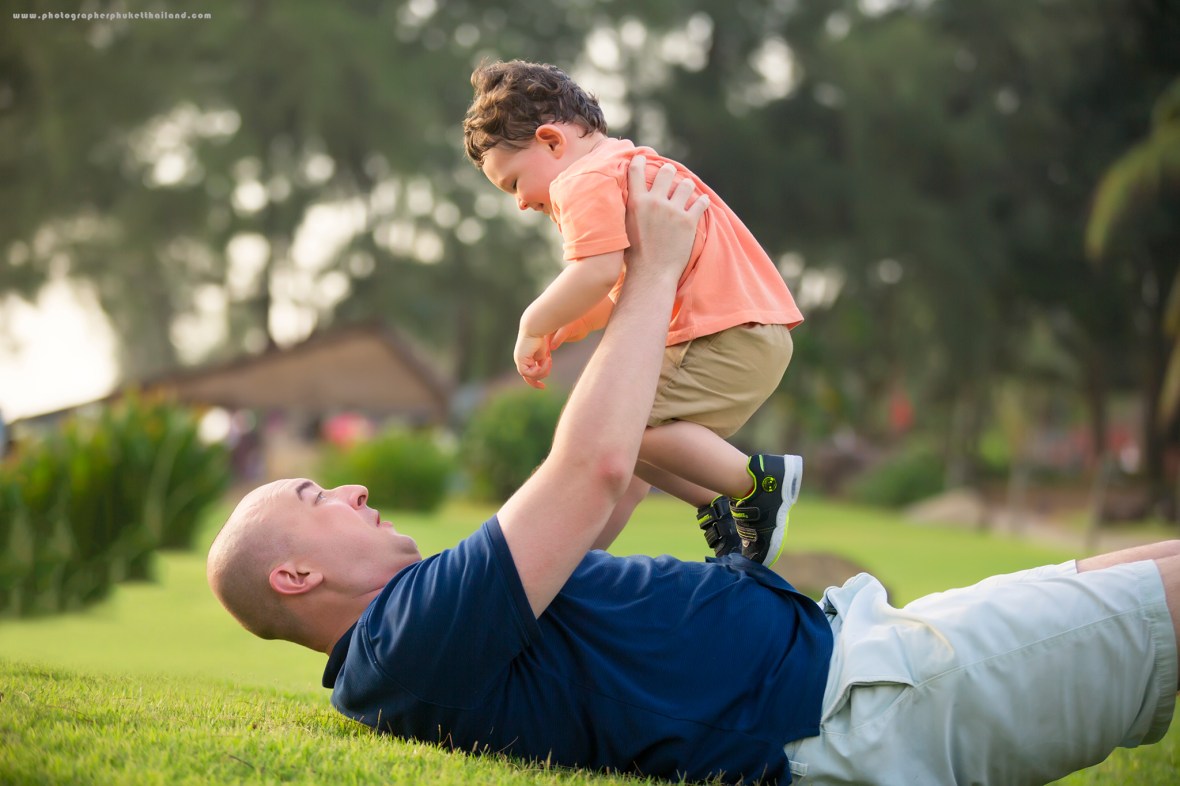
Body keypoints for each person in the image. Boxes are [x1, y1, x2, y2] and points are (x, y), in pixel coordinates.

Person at [208, 159, 1179, 786]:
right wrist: (660, 269)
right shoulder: (405, 639)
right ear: (295, 577)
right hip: (857, 705)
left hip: (855, 668)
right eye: (313, 498)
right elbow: (585, 470)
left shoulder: (423, 630)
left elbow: (602, 495)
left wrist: (651, 310)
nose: (350, 489)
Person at [463, 59, 805, 566]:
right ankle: (727, 512)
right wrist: (567, 323)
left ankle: (757, 484)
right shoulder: (629, 167)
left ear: (552, 142)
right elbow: (617, 288)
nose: (518, 203)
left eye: (513, 183)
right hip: (750, 332)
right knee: (631, 447)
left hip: (719, 334)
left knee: (615, 425)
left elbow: (596, 272)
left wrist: (532, 323)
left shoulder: (580, 180)